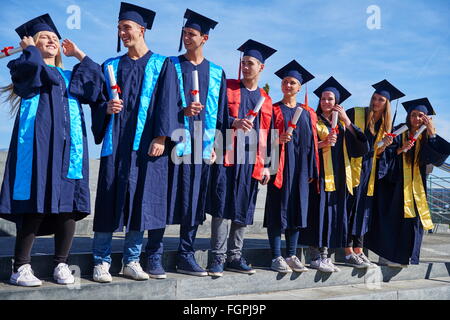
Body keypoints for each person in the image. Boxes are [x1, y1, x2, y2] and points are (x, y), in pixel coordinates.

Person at [0, 14, 98, 286]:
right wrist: (29, 49)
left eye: (55, 38)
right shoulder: (26, 65)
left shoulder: (69, 76)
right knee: (36, 203)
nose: (52, 41)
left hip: (70, 151)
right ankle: (20, 267)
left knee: (67, 208)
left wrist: (79, 53)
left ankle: (61, 265)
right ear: (31, 42)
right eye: (45, 37)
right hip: (39, 148)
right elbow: (28, 69)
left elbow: (95, 84)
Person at [86, 2, 181, 282]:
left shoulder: (163, 64)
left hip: (147, 146)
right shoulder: (110, 65)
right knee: (107, 199)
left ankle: (131, 260)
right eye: (119, 29)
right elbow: (98, 101)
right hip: (116, 146)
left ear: (142, 29)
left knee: (142, 202)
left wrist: (162, 137)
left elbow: (169, 102)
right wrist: (106, 108)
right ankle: (100, 261)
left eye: (126, 28)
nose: (122, 33)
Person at [206, 39, 276, 277]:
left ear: (261, 68)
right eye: (243, 62)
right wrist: (233, 122)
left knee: (243, 209)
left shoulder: (266, 101)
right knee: (222, 206)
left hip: (250, 162)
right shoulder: (228, 87)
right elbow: (213, 117)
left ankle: (235, 256)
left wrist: (268, 166)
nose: (245, 67)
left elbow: (270, 134)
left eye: (250, 63)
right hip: (227, 157)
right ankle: (217, 257)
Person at [166, 9, 228, 277]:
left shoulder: (216, 72)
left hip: (201, 147)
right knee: (166, 197)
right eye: (184, 33)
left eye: (191, 34)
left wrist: (215, 145)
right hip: (173, 144)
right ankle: (153, 251)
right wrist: (182, 111)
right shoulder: (171, 64)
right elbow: (162, 103)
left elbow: (222, 113)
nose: (186, 37)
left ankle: (185, 252)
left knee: (193, 201)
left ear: (204, 38)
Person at [365, 98, 450, 267]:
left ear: (426, 118)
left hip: (416, 188)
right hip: (394, 185)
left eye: (421, 116)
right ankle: (387, 256)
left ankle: (406, 257)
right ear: (408, 116)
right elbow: (383, 156)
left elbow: (437, 160)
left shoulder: (427, 136)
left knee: (411, 222)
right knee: (391, 219)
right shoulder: (398, 131)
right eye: (413, 115)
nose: (416, 119)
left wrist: (432, 134)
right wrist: (399, 149)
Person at [298, 77, 369, 272]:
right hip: (319, 176)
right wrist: (323, 144)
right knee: (317, 216)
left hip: (339, 178)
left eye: (330, 99)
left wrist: (347, 120)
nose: (326, 102)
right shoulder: (312, 119)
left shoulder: (344, 125)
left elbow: (362, 147)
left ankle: (325, 256)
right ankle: (315, 256)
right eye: (323, 99)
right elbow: (303, 146)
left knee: (331, 217)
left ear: (337, 103)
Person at [263, 60, 317, 273]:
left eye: (292, 82)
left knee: (296, 210)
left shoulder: (307, 113)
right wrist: (277, 140)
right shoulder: (274, 109)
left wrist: (312, 170)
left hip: (301, 169)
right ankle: (276, 256)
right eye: (285, 82)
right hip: (279, 167)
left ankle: (292, 254)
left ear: (299, 87)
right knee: (277, 210)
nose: (288, 85)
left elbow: (311, 142)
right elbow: (263, 137)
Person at [344, 80, 405, 269]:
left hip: (369, 172)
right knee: (350, 209)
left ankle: (359, 250)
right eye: (374, 98)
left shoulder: (387, 125)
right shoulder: (356, 113)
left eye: (381, 100)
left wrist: (385, 146)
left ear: (387, 104)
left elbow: (377, 153)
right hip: (351, 168)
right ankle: (347, 251)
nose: (376, 102)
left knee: (363, 212)